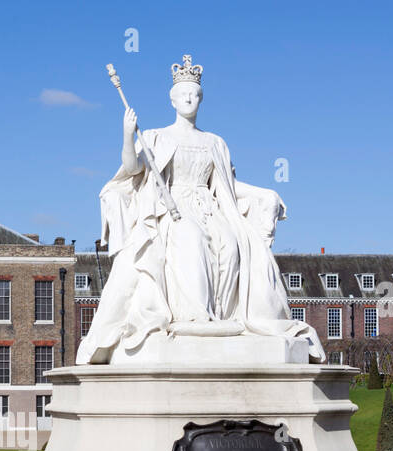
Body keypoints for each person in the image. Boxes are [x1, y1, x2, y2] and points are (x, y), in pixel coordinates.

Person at [78, 55, 325, 364]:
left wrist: (267, 194)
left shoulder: (215, 142)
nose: (189, 99)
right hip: (171, 210)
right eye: (183, 94)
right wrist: (128, 135)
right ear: (172, 100)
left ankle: (221, 319)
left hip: (210, 207)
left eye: (194, 95)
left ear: (201, 99)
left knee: (232, 244)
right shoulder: (155, 136)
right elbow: (132, 168)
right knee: (190, 239)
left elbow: (227, 187)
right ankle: (196, 319)